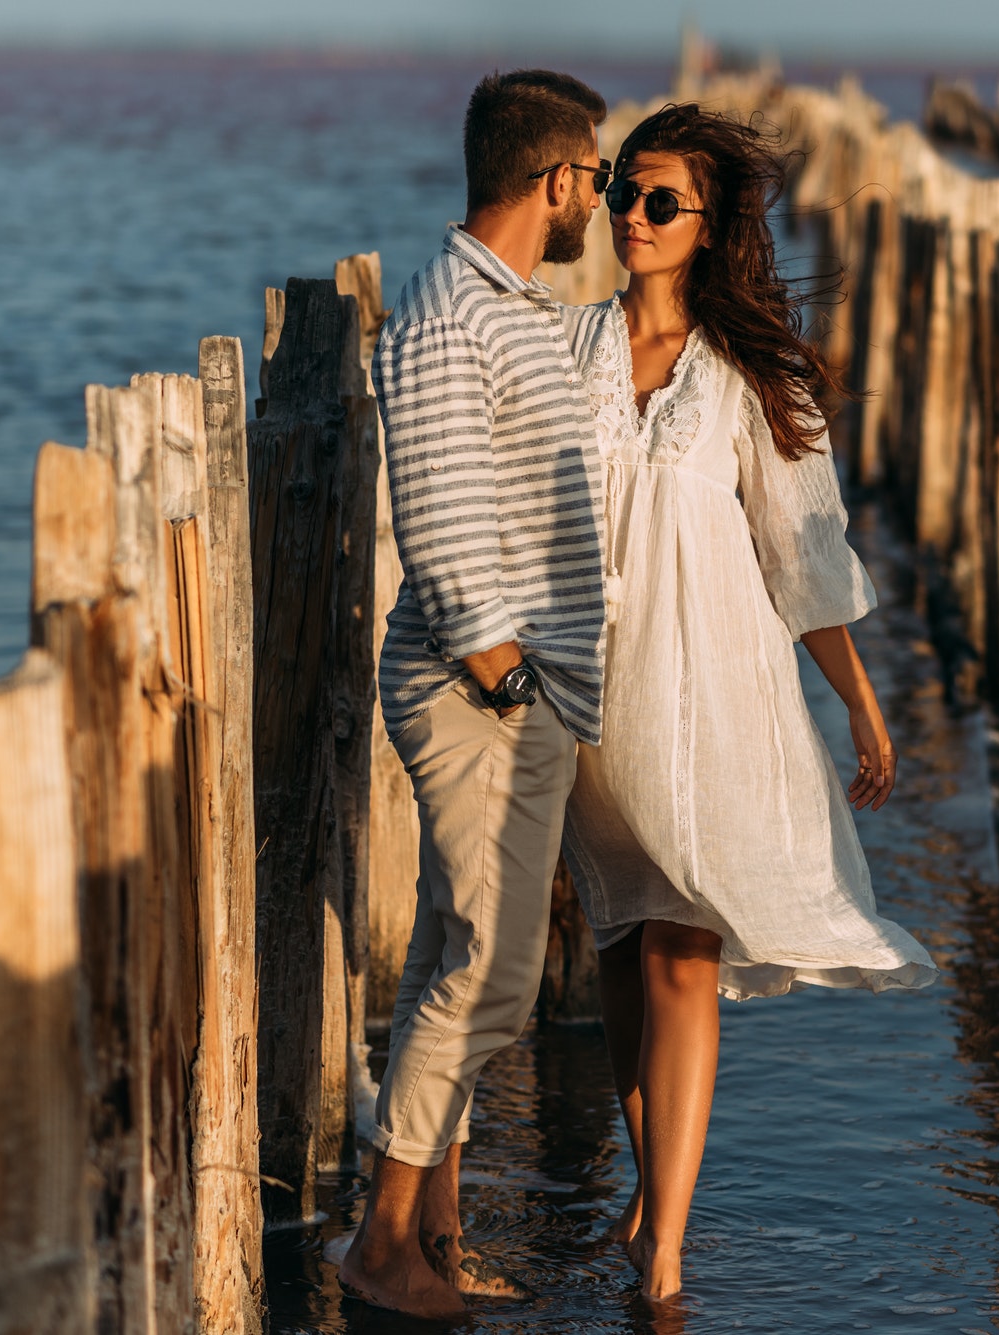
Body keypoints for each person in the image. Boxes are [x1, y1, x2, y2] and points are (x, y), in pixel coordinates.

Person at [561, 103, 940, 1300]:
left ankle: (664, 1251)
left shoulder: (747, 378)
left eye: (659, 199)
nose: (630, 212)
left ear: (708, 221)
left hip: (705, 691)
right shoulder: (562, 351)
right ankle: (647, 1197)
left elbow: (802, 558)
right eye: (623, 188)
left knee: (684, 947)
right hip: (589, 695)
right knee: (620, 948)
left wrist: (862, 708)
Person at [337, 68, 612, 1321]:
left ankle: (433, 1237)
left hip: (505, 685)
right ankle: (380, 1244)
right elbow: (441, 519)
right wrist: (509, 680)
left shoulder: (515, 307)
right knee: (494, 974)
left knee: (454, 954)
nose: (599, 200)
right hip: (479, 689)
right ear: (552, 180)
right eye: (597, 178)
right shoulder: (454, 317)